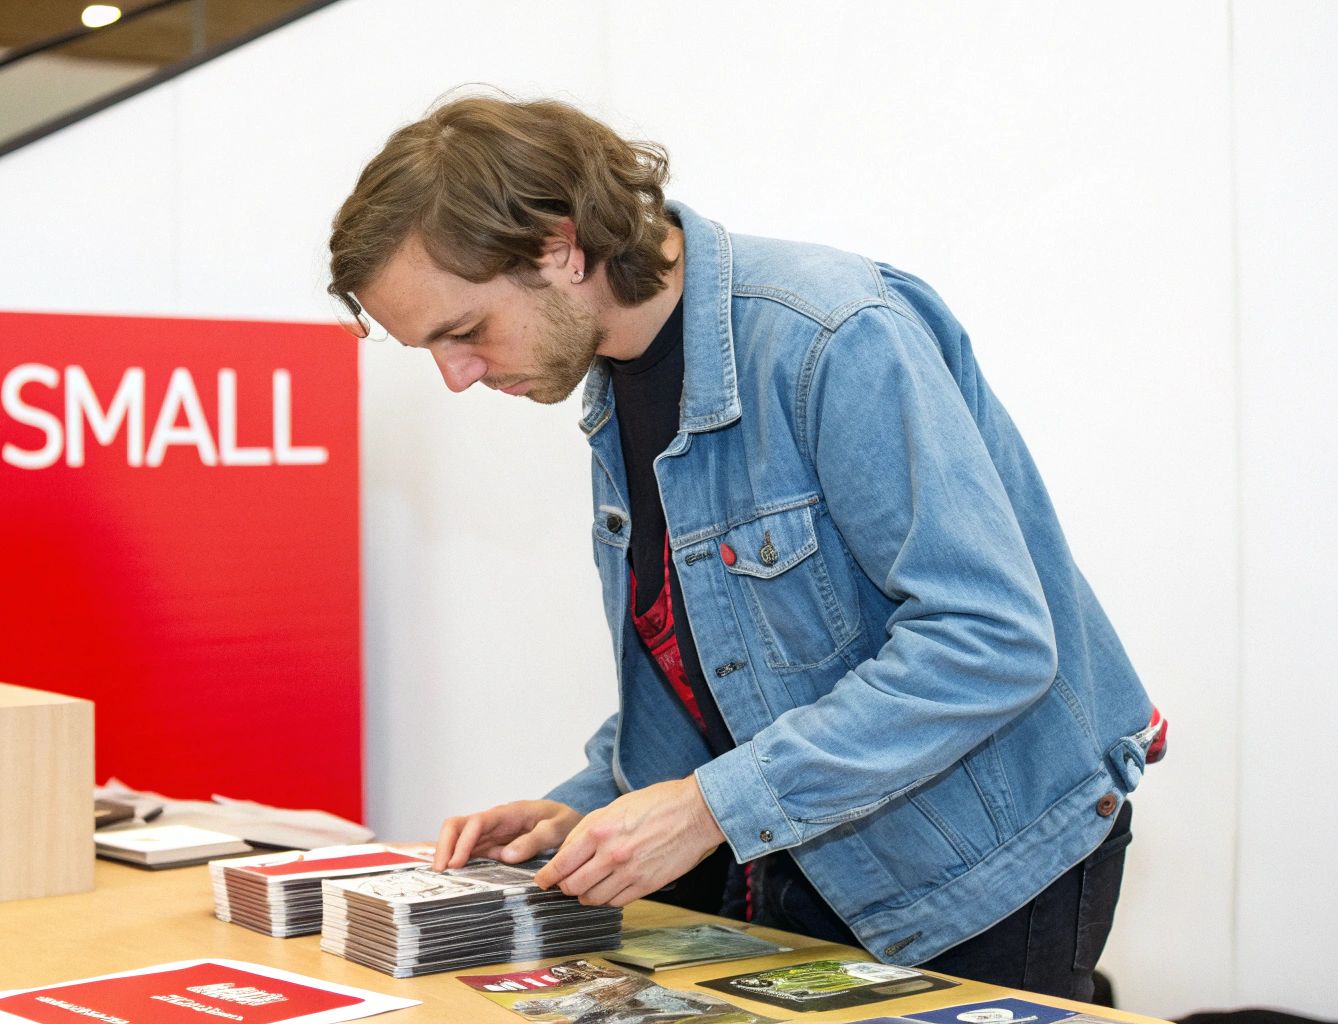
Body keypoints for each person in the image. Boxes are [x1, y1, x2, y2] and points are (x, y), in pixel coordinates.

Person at [326, 95, 1166, 1001]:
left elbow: (990, 642)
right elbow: (724, 663)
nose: (457, 377)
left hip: (984, 864)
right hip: (806, 854)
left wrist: (706, 807)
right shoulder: (612, 391)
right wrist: (584, 805)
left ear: (559, 249)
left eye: (464, 332)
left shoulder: (834, 335)